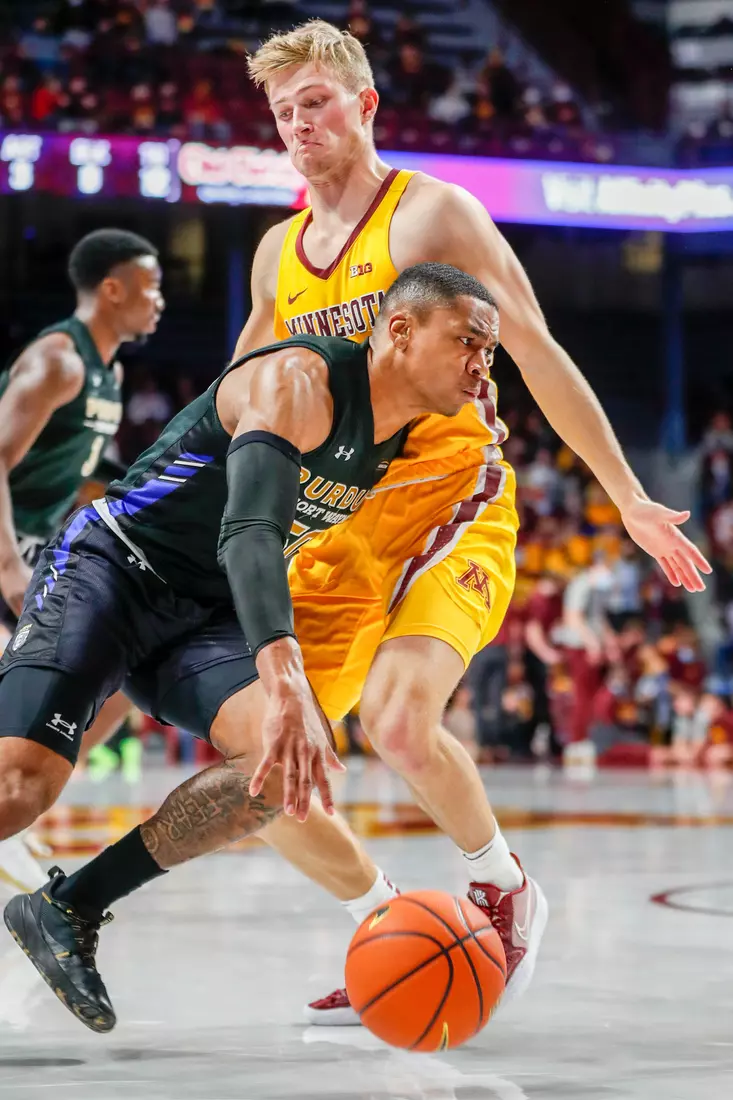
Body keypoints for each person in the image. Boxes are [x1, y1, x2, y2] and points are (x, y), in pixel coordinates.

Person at [235, 20, 710, 1025]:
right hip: (343, 522)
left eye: (315, 101)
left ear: (365, 107)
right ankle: (392, 933)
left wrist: (622, 493)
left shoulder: (432, 216)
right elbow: (232, 396)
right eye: (281, 110)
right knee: (260, 769)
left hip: (454, 501)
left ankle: (501, 883)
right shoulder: (278, 253)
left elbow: (534, 347)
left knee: (398, 719)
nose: (296, 123)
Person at [2, 263, 501, 1032]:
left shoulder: (403, 437)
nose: (481, 364)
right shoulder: (299, 380)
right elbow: (250, 530)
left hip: (204, 613)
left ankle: (68, 908)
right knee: (19, 789)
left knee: (276, 768)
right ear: (399, 331)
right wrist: (285, 665)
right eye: (467, 341)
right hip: (115, 568)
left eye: (490, 354)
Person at [0, 228, 164, 893]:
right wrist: (10, 568)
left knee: (124, 684)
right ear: (112, 289)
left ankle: (24, 805)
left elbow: (84, 475)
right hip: (9, 551)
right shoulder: (58, 363)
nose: (160, 302)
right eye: (151, 287)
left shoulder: (111, 373)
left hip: (37, 548)